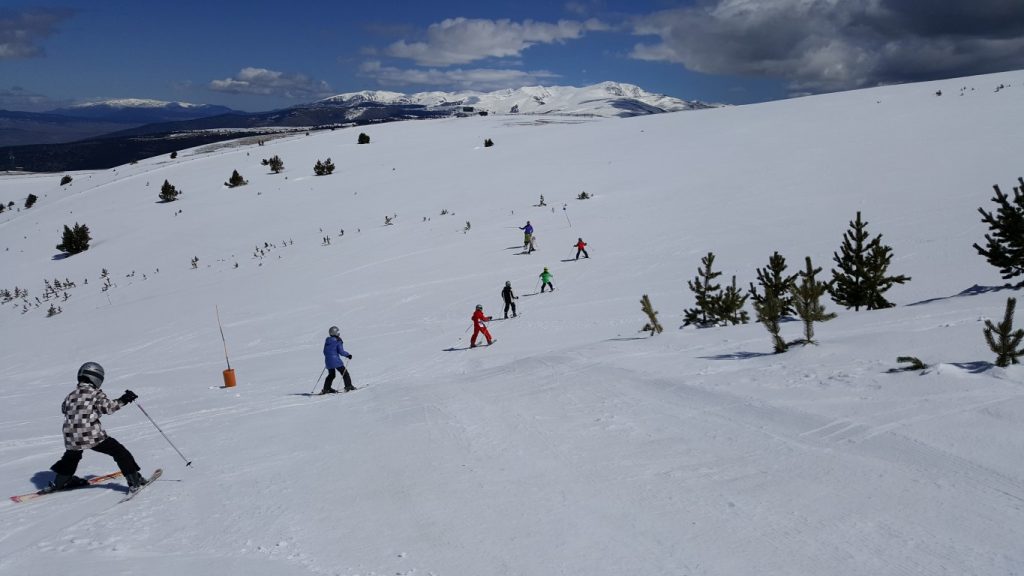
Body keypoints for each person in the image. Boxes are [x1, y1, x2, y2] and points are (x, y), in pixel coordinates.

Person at [48, 362, 149, 493]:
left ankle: (60, 482)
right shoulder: (95, 393)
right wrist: (124, 399)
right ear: (96, 378)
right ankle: (134, 481)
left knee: (71, 457)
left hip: (71, 436)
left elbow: (64, 409)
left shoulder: (70, 395)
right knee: (119, 452)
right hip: (91, 435)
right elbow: (108, 408)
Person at [322, 326, 355, 393]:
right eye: (337, 331)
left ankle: (326, 389)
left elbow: (324, 351)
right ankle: (348, 386)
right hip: (336, 361)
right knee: (345, 373)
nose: (338, 333)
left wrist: (329, 358)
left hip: (328, 361)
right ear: (334, 332)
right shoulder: (338, 340)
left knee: (331, 375)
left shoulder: (327, 341)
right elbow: (341, 351)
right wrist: (348, 355)